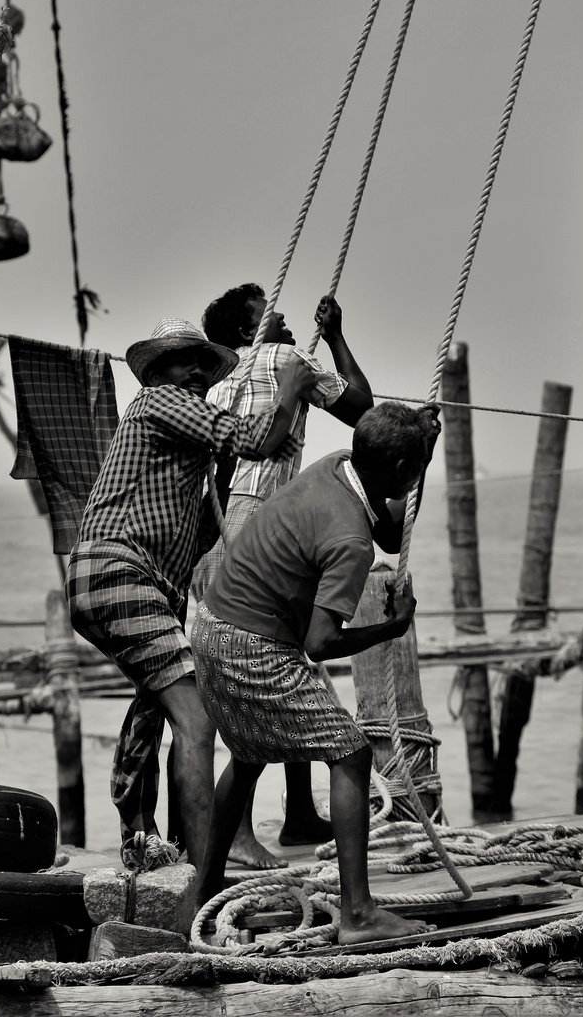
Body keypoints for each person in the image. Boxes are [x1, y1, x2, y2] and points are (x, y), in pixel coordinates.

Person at [66, 318, 318, 870]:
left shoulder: (188, 451)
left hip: (122, 578)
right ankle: (205, 874)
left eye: (205, 362)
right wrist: (291, 389)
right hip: (117, 570)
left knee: (158, 706)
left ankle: (146, 840)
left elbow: (209, 524)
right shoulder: (158, 400)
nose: (198, 371)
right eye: (186, 361)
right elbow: (253, 438)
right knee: (197, 717)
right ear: (157, 370)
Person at [191, 401, 439, 944]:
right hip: (252, 645)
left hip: (211, 628)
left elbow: (393, 532)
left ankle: (202, 892)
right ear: (402, 473)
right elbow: (321, 643)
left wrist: (426, 446)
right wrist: (389, 629)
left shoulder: (336, 465)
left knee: (250, 753)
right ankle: (358, 914)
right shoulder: (349, 541)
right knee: (349, 752)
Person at [190, 285, 374, 865]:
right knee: (278, 665)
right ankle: (242, 834)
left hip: (217, 533)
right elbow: (361, 409)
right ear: (250, 333)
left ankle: (296, 814)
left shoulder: (215, 385)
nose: (290, 325)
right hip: (257, 524)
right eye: (274, 318)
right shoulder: (281, 360)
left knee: (279, 662)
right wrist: (338, 335)